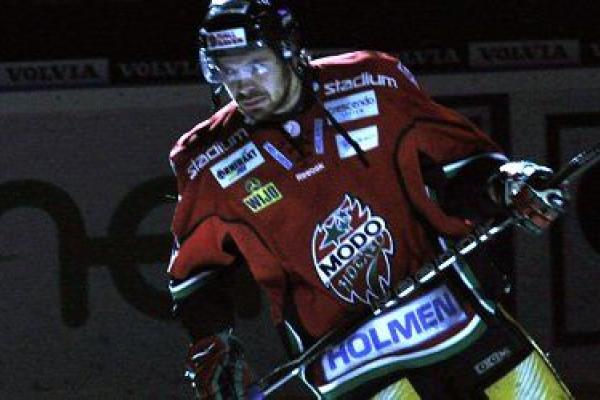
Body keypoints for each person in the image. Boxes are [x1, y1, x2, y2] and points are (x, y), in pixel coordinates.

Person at [167, 0, 572, 398]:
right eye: (228, 70)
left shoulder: (374, 81)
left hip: (455, 318)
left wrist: (509, 186)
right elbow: (195, 275)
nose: (242, 84)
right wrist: (212, 344)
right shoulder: (205, 160)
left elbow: (461, 167)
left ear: (288, 50)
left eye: (256, 65)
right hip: (350, 364)